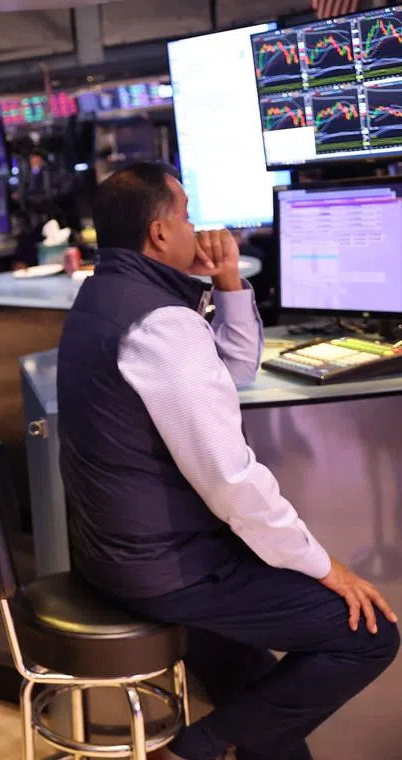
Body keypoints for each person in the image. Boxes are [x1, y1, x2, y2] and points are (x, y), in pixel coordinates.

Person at [56, 161, 399, 760]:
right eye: (187, 215)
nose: (199, 229)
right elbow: (230, 481)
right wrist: (324, 567)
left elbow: (229, 373)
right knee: (369, 637)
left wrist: (229, 281)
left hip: (117, 554)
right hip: (162, 568)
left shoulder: (109, 294)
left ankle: (223, 747)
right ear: (161, 234)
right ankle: (189, 753)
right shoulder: (160, 321)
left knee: (263, 709)